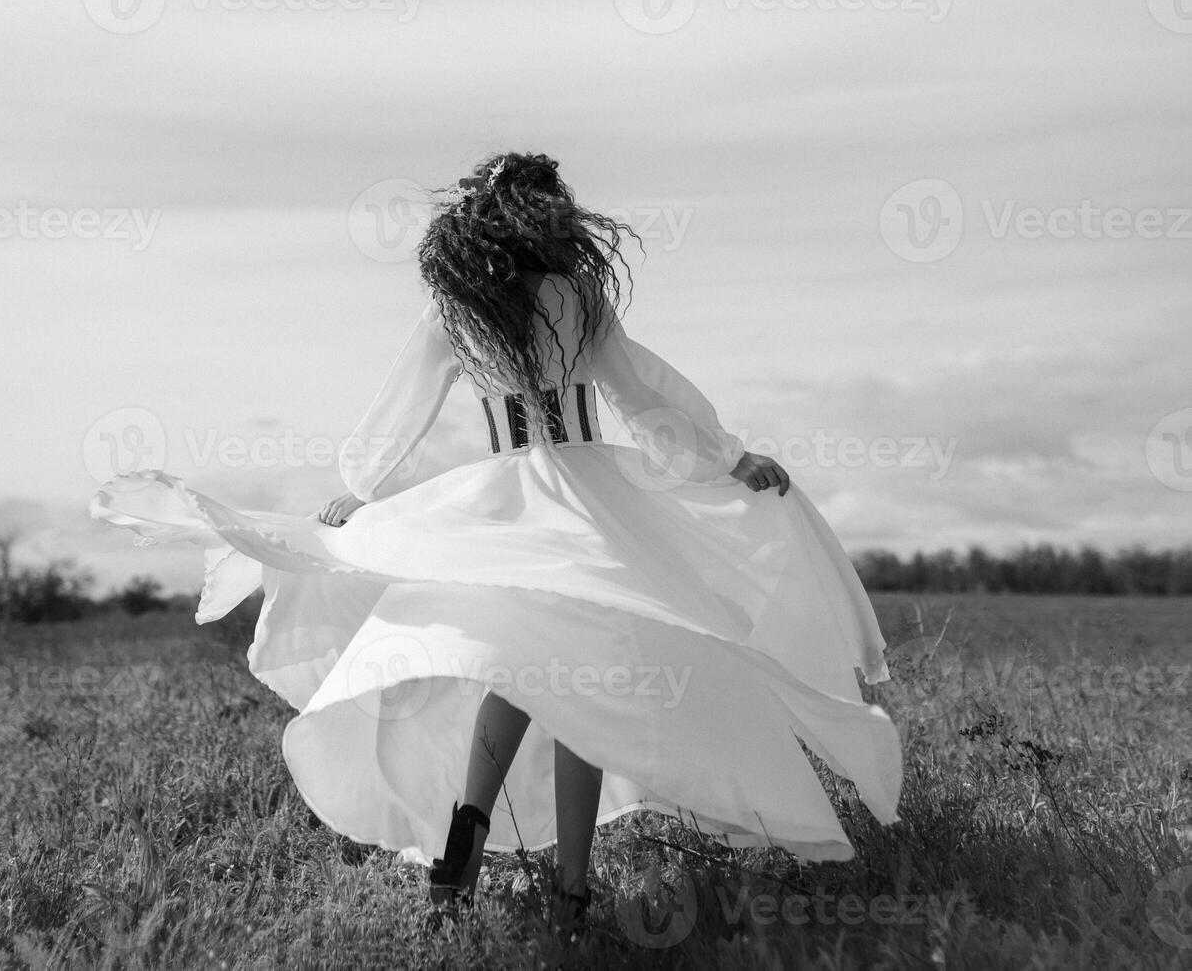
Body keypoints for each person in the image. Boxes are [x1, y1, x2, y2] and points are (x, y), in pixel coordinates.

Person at [90, 151, 902, 934]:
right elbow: (644, 395)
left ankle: (470, 822)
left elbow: (400, 407)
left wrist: (362, 490)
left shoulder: (458, 308)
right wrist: (725, 458)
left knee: (519, 663)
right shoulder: (578, 297)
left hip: (507, 498)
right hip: (593, 499)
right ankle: (575, 884)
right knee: (584, 680)